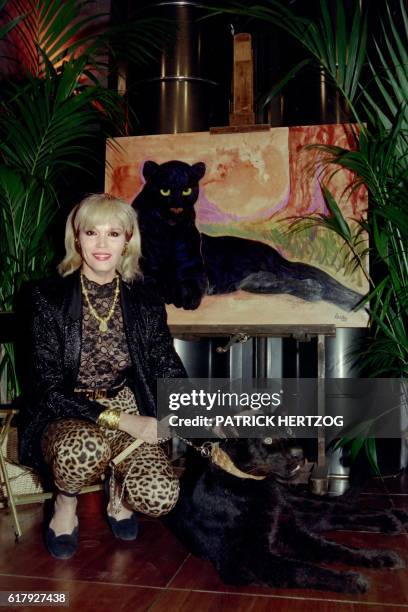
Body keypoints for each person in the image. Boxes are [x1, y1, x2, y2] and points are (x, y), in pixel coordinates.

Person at [18, 193, 187, 559]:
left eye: (113, 233)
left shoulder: (145, 298)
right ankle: (65, 504)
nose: (101, 244)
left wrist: (178, 408)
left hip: (126, 398)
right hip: (67, 409)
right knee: (85, 450)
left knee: (161, 496)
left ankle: (120, 489)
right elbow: (45, 386)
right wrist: (126, 422)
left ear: (128, 239)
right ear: (76, 238)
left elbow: (163, 359)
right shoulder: (45, 297)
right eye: (92, 232)